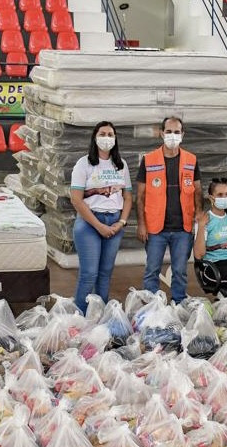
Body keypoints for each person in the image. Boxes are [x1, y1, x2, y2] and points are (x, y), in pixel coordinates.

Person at [136, 116, 203, 303]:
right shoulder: (149, 160)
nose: (172, 136)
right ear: (161, 133)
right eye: (168, 131)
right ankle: (151, 306)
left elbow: (198, 190)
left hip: (183, 227)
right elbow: (139, 196)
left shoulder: (191, 160)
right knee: (152, 271)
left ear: (183, 134)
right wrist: (141, 224)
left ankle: (178, 303)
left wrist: (198, 213)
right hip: (155, 228)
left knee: (180, 271)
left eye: (176, 132)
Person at [69, 121, 131, 313]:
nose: (106, 138)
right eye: (102, 134)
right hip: (89, 223)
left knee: (105, 274)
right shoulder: (84, 163)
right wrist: (98, 226)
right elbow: (76, 199)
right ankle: (79, 316)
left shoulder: (121, 165)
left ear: (115, 139)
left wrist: (121, 222)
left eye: (110, 134)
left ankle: (99, 314)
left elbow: (128, 197)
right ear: (95, 137)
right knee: (89, 273)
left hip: (114, 223)